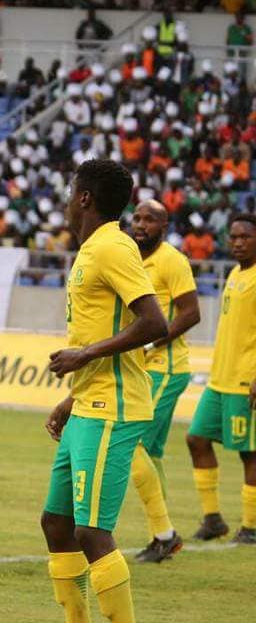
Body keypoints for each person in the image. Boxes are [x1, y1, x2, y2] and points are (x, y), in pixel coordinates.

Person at [42, 159, 167, 623]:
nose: (66, 201)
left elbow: (155, 322)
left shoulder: (113, 247)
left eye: (70, 191)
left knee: (92, 532)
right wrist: (72, 396)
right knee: (57, 524)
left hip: (112, 408)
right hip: (87, 403)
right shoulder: (92, 249)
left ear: (84, 198)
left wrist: (84, 355)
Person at [128, 200, 201, 563]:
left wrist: (152, 343)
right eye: (137, 217)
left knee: (132, 443)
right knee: (151, 454)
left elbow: (191, 312)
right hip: (143, 366)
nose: (141, 224)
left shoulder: (172, 261)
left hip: (164, 366)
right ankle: (161, 535)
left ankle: (165, 534)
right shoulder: (130, 257)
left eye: (150, 219)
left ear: (164, 226)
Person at [186, 213, 256, 545]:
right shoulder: (235, 273)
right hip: (219, 379)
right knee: (196, 438)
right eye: (234, 237)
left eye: (245, 237)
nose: (238, 243)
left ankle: (251, 527)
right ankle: (213, 519)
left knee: (249, 453)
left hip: (245, 380)